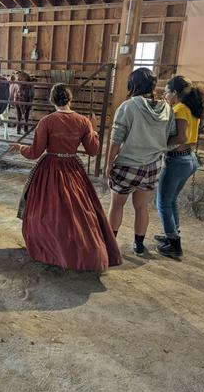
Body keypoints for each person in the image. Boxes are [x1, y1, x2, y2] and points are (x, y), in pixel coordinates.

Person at [9, 84, 121, 272]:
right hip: (73, 168)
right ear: (70, 99)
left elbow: (34, 152)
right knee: (78, 211)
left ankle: (50, 249)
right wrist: (93, 130)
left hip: (49, 169)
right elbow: (93, 151)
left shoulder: (47, 121)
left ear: (51, 100)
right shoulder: (83, 121)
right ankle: (81, 251)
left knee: (47, 211)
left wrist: (20, 148)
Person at [106, 68, 176, 255]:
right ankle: (138, 244)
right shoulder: (167, 108)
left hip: (128, 164)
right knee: (141, 206)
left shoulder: (128, 106)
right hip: (153, 166)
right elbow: (170, 136)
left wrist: (108, 163)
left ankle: (111, 244)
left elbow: (116, 139)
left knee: (117, 204)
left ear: (133, 84)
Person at [156, 76, 204, 260]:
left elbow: (180, 138)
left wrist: (159, 144)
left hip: (178, 160)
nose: (164, 95)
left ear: (174, 93)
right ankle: (172, 234)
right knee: (171, 200)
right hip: (189, 158)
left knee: (162, 202)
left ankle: (174, 245)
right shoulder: (191, 108)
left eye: (166, 92)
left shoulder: (179, 109)